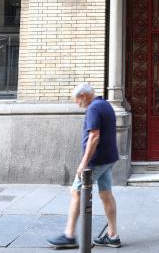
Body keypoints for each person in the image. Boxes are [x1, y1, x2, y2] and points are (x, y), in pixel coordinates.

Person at [47, 83, 121, 249]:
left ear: (84, 96)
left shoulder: (93, 109)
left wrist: (84, 163)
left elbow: (94, 137)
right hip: (108, 158)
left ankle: (69, 235)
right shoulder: (105, 104)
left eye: (77, 100)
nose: (76, 104)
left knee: (76, 192)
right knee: (106, 194)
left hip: (96, 161)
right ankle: (113, 235)